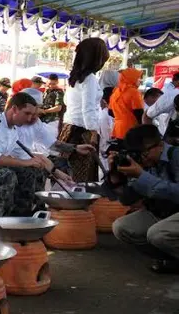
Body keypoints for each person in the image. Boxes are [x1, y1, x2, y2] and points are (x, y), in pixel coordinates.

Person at [110, 125, 179, 274]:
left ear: (160, 145)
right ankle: (172, 259)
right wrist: (116, 177)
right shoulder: (144, 164)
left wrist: (142, 176)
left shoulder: (176, 155)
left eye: (144, 152)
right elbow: (127, 200)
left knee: (158, 233)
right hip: (164, 213)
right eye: (136, 153)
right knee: (121, 227)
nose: (142, 157)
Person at [59, 37, 110, 182]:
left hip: (69, 128)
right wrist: (93, 132)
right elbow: (87, 109)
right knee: (82, 177)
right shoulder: (90, 79)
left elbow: (67, 101)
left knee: (67, 174)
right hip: (82, 131)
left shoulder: (75, 77)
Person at [110, 68, 145, 140]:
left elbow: (110, 112)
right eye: (138, 78)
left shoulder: (116, 91)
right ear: (132, 78)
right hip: (131, 129)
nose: (140, 80)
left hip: (118, 129)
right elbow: (139, 113)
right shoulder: (134, 92)